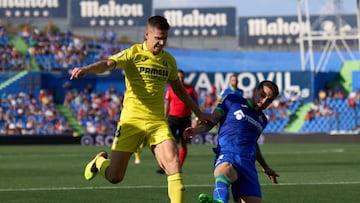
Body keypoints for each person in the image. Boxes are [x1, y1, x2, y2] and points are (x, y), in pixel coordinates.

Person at [70, 15, 214, 203]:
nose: (161, 43)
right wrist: (87, 69)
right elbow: (107, 64)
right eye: (158, 38)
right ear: (147, 35)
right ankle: (99, 161)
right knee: (115, 176)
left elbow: (178, 88)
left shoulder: (168, 61)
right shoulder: (133, 53)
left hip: (157, 122)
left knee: (173, 163)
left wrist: (199, 112)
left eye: (164, 39)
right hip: (132, 121)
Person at [184, 80, 280, 203]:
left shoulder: (262, 120)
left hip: (248, 165)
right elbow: (212, 120)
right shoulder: (232, 100)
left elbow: (253, 143)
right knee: (224, 171)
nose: (263, 102)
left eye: (269, 100)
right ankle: (219, 201)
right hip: (228, 154)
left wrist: (265, 167)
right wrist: (196, 130)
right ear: (255, 90)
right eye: (262, 95)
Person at [155, 69, 199, 174]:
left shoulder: (190, 89)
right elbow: (167, 104)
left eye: (182, 77)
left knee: (183, 144)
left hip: (185, 119)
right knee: (168, 143)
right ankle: (165, 166)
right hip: (172, 119)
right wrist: (164, 118)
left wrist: (196, 118)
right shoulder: (170, 89)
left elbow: (195, 104)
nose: (181, 79)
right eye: (178, 77)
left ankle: (178, 166)